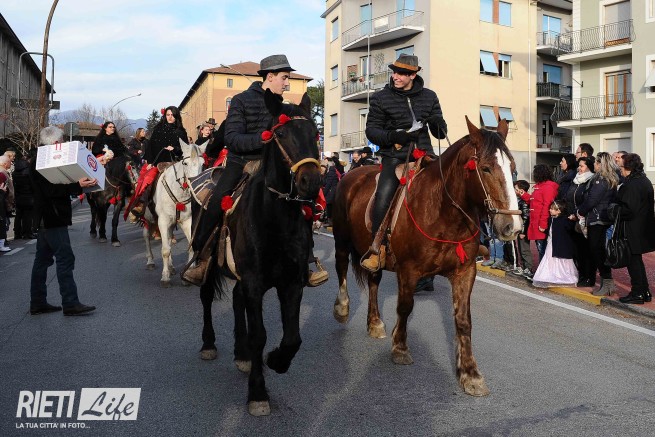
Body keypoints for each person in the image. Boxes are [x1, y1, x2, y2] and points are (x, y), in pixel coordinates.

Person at [183, 54, 299, 284]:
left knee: (301, 200)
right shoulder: (240, 100)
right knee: (217, 201)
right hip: (242, 162)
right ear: (270, 76)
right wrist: (261, 138)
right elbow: (233, 138)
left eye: (288, 79)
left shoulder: (286, 107)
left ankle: (306, 258)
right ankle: (202, 259)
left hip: (273, 165)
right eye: (285, 78)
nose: (287, 83)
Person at [361, 54, 447, 271]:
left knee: (451, 186)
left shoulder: (430, 96)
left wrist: (438, 124)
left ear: (413, 75)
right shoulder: (381, 97)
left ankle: (456, 241)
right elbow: (371, 131)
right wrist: (393, 136)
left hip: (425, 155)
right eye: (394, 72)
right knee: (384, 193)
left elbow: (440, 133)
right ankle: (377, 248)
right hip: (395, 156)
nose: (395, 76)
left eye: (401, 73)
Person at [29, 126, 97, 315]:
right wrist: (77, 185)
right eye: (63, 141)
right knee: (65, 258)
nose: (65, 144)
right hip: (52, 217)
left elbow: (53, 187)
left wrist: (76, 185)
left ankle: (38, 302)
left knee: (42, 261)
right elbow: (52, 190)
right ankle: (70, 303)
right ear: (56, 143)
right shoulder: (42, 162)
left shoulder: (39, 159)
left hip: (47, 217)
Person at [129, 106, 188, 218]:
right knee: (148, 179)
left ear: (177, 116)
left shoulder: (181, 132)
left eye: (173, 115)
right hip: (158, 162)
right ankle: (141, 204)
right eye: (168, 115)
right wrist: (150, 163)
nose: (170, 117)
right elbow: (151, 146)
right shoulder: (158, 129)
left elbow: (185, 148)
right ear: (165, 116)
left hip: (175, 162)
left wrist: (175, 148)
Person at [612, 153, 655, 304]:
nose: (620, 170)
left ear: (628, 167)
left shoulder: (633, 184)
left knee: (633, 262)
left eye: (621, 168)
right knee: (636, 260)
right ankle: (644, 291)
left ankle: (637, 293)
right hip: (640, 227)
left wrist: (613, 210)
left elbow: (629, 209)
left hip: (633, 228)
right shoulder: (643, 180)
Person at [576, 152, 619, 296]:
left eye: (595, 162)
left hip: (598, 218)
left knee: (596, 249)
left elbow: (592, 199)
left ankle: (607, 281)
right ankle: (607, 282)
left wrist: (580, 211)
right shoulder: (610, 178)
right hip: (602, 217)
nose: (594, 165)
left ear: (600, 164)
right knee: (598, 249)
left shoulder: (601, 179)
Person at [532, 200, 578, 288]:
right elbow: (551, 231)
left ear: (559, 211)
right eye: (550, 208)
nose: (550, 210)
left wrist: (572, 220)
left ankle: (562, 277)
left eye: (552, 209)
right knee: (549, 259)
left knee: (560, 260)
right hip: (551, 243)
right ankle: (548, 276)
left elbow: (569, 231)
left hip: (561, 245)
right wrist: (544, 230)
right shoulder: (551, 219)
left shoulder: (565, 220)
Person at [564, 156, 595, 287]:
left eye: (582, 166)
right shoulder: (575, 180)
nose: (579, 168)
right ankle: (580, 274)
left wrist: (577, 214)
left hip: (583, 221)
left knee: (585, 251)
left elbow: (588, 201)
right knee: (576, 250)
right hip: (571, 219)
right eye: (579, 166)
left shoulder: (591, 180)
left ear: (589, 167)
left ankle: (588, 277)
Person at [527, 164, 558, 262]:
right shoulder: (542, 186)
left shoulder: (547, 187)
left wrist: (543, 224)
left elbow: (547, 206)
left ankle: (544, 270)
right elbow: (534, 201)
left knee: (543, 251)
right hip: (537, 222)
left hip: (541, 224)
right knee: (541, 250)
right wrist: (523, 195)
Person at [510, 180, 533, 278]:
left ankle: (528, 268)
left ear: (521, 190)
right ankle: (523, 267)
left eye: (516, 188)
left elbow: (526, 217)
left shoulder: (524, 202)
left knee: (524, 249)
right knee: (520, 248)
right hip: (520, 228)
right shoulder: (519, 200)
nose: (514, 190)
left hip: (523, 229)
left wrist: (523, 231)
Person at [12, 150, 36, 239]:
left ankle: (17, 233)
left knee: (18, 215)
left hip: (18, 195)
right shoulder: (29, 171)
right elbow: (33, 184)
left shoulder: (15, 171)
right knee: (28, 216)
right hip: (28, 196)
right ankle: (27, 233)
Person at [0, 155, 14, 252]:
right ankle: (2, 243)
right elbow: (5, 189)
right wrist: (3, 192)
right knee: (3, 223)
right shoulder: (2, 174)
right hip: (2, 202)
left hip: (3, 200)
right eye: (9, 162)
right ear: (5, 164)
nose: (11, 163)